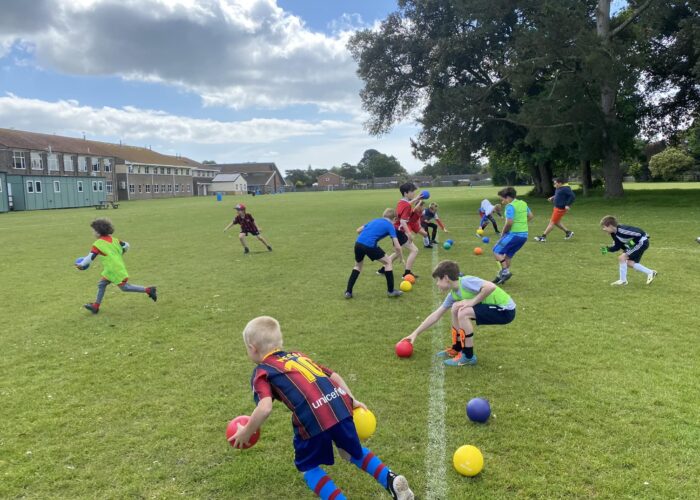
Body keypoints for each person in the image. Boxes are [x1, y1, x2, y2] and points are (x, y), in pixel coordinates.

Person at [231, 316, 414, 500]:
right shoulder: (298, 355)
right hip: (339, 403)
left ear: (253, 348)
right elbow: (333, 375)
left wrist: (247, 431)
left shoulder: (263, 371)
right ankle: (391, 480)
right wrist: (352, 400)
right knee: (350, 451)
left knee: (308, 467)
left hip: (312, 417)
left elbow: (265, 408)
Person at [401, 261, 516, 367]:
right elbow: (436, 315)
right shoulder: (453, 294)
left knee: (463, 312)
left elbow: (491, 286)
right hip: (496, 309)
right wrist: (415, 333)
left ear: (446, 278)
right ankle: (457, 348)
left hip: (505, 310)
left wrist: (472, 301)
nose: (437, 284)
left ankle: (468, 356)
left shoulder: (465, 281)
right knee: (456, 307)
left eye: (438, 280)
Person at [76, 218, 157, 314]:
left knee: (125, 288)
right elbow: (127, 245)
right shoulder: (115, 240)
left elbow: (90, 258)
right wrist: (121, 252)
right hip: (113, 268)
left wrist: (81, 264)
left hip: (114, 270)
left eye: (93, 230)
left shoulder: (98, 244)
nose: (92, 233)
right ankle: (95, 306)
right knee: (101, 284)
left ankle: (148, 290)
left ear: (98, 232)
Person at [345, 209, 405, 299]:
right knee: (388, 262)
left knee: (357, 266)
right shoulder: (390, 226)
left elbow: (358, 230)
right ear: (395, 219)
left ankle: (348, 292)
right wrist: (401, 257)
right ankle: (391, 291)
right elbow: (397, 246)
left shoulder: (376, 220)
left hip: (358, 243)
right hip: (370, 245)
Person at [377, 183, 423, 278]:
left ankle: (383, 270)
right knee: (414, 250)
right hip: (398, 231)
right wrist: (409, 234)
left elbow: (407, 204)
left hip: (394, 230)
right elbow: (402, 221)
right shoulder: (407, 205)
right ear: (406, 193)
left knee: (398, 253)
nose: (414, 193)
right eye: (412, 191)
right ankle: (407, 273)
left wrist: (416, 199)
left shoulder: (401, 202)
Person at [492, 187, 534, 285]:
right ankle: (500, 276)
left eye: (502, 198)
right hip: (524, 236)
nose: (501, 201)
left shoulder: (510, 206)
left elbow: (509, 223)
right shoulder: (523, 203)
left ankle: (505, 272)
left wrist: (503, 233)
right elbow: (531, 216)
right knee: (508, 256)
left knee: (496, 250)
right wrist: (522, 223)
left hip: (514, 234)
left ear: (507, 197)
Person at [600, 215, 657, 285]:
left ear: (610, 226)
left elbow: (639, 233)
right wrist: (606, 249)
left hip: (642, 242)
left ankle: (623, 281)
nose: (603, 229)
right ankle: (650, 272)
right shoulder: (614, 234)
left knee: (622, 258)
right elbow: (617, 246)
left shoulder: (622, 230)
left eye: (604, 227)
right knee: (629, 263)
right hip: (637, 243)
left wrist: (629, 244)